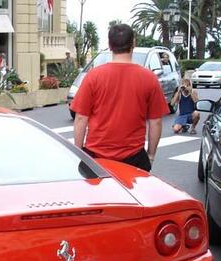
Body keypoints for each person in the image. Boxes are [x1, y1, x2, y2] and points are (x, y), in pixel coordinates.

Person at [71, 24, 168, 172]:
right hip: (134, 158)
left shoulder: (93, 76)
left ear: (110, 45)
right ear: (133, 44)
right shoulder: (149, 78)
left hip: (97, 158)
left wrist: (79, 154)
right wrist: (151, 155)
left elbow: (80, 119)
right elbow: (155, 122)